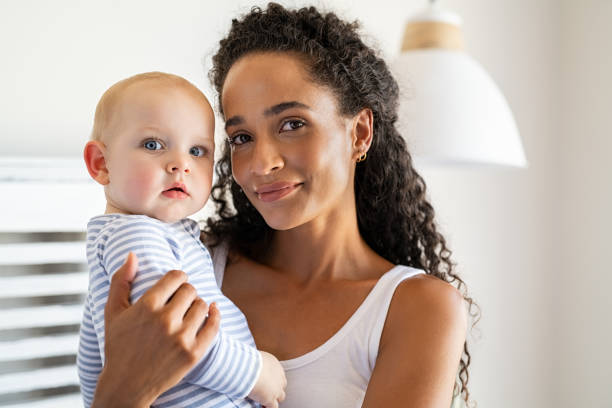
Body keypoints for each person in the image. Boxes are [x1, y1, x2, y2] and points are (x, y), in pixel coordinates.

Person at [90, 4, 477, 407]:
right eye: (242, 137)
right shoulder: (187, 265)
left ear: (360, 132)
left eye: (292, 124)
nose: (262, 163)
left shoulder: (415, 308)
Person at [78, 72, 286, 408]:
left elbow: (92, 361)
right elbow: (174, 336)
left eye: (197, 150)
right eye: (153, 145)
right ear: (102, 164)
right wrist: (255, 373)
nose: (180, 165)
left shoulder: (132, 238)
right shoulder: (136, 234)